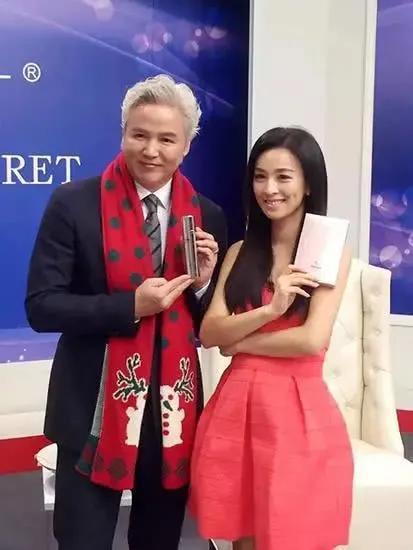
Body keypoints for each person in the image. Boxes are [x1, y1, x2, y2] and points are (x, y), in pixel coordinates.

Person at [25, 74, 227, 550]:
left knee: (158, 542)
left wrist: (202, 286)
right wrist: (129, 307)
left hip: (170, 416)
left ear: (186, 147)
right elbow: (42, 306)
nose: (151, 150)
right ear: (123, 134)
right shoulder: (74, 204)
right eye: (140, 134)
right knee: (83, 541)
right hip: (91, 413)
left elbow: (210, 328)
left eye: (167, 139)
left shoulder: (207, 216)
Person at [189, 127, 354, 550]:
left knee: (292, 533)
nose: (270, 189)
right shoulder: (240, 252)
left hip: (297, 413)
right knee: (241, 535)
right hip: (236, 409)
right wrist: (271, 311)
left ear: (308, 183)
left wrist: (239, 343)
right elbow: (209, 332)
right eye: (260, 177)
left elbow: (311, 340)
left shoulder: (328, 252)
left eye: (283, 176)